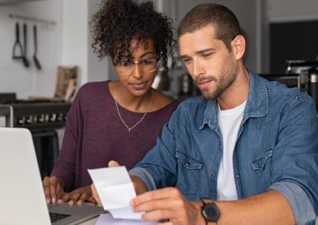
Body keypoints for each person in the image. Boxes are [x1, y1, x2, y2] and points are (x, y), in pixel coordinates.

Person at [92, 3, 318, 225]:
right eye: (188, 60)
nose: (196, 71)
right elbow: (154, 169)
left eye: (206, 55)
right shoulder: (187, 115)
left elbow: (298, 201)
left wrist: (202, 214)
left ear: (237, 48)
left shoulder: (292, 109)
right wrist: (128, 185)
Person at [43, 0, 178, 206]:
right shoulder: (88, 97)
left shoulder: (174, 114)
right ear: (113, 61)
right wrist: (56, 182)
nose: (138, 74)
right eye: (125, 62)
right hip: (80, 214)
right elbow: (66, 165)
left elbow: (164, 182)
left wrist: (97, 191)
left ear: (158, 58)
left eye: (147, 60)